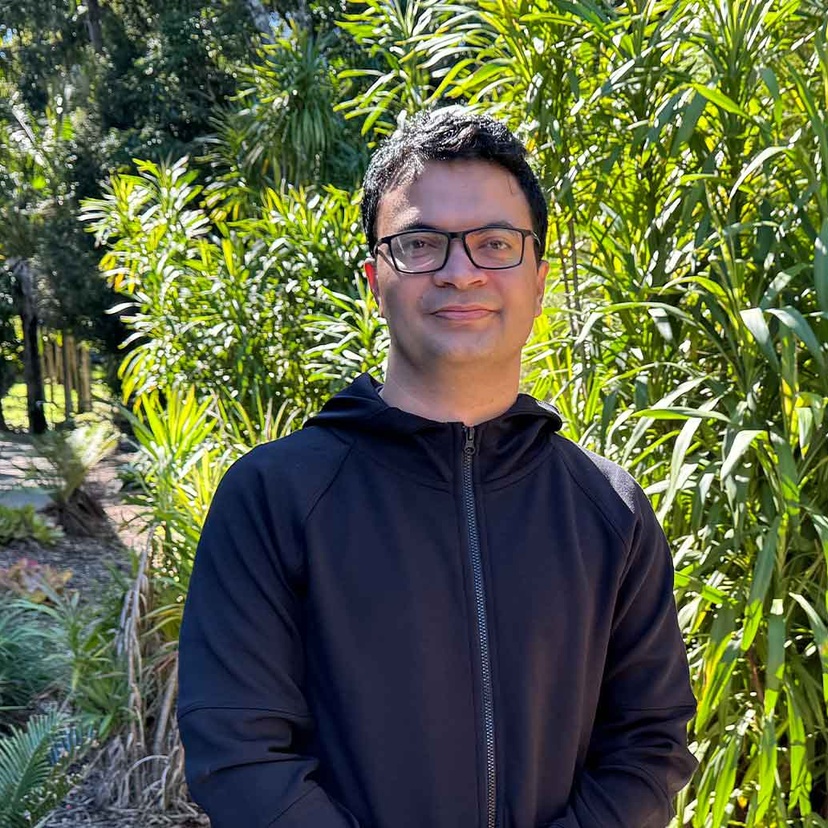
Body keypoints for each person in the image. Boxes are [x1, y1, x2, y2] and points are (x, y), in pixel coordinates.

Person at [177, 106, 697, 828]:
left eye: (494, 243)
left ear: (540, 278)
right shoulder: (274, 496)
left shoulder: (606, 508)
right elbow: (239, 753)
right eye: (420, 244)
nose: (460, 273)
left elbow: (651, 741)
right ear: (374, 277)